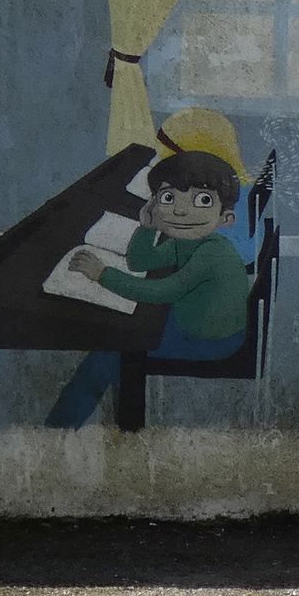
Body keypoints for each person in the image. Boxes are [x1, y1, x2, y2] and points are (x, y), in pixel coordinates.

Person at [46, 150, 254, 428]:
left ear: (225, 218)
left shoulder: (212, 254)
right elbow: (140, 261)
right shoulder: (188, 240)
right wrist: (146, 226)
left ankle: (59, 430)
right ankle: (86, 421)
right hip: (192, 321)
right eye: (168, 198)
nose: (181, 210)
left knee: (110, 349)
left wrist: (101, 274)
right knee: (114, 338)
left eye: (202, 201)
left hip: (210, 339)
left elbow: (162, 291)